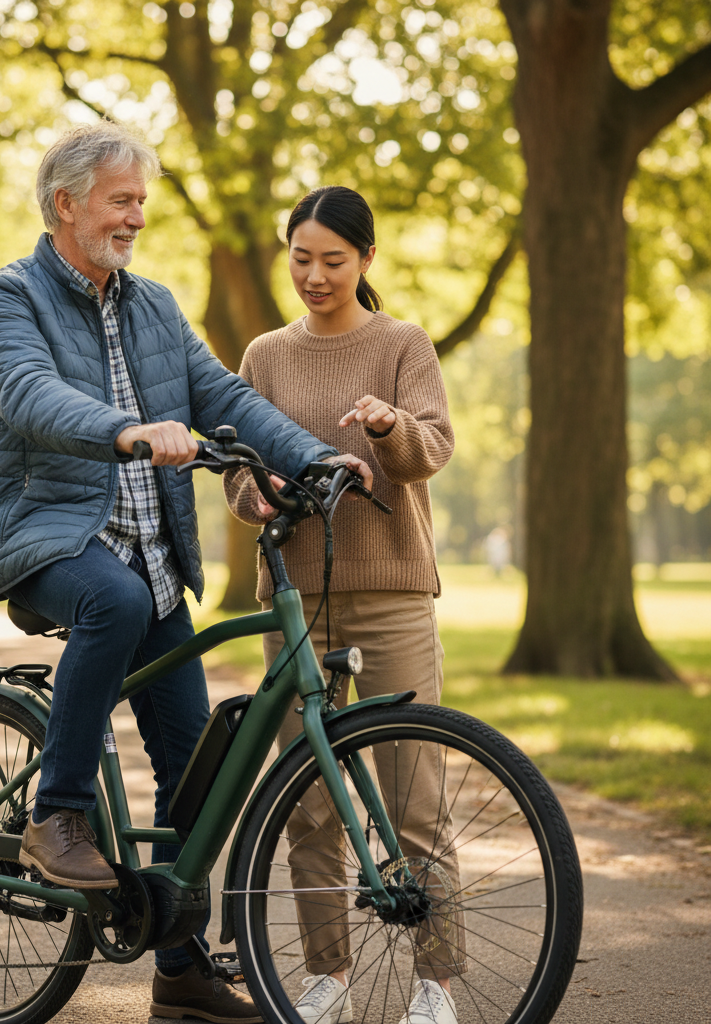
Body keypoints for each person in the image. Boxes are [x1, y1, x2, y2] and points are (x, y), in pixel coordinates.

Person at [0, 122, 372, 1024]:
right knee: (107, 599)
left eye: (142, 200)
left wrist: (312, 457)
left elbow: (222, 393)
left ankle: (182, 969)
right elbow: (28, 393)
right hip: (45, 540)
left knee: (199, 764)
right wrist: (125, 428)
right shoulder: (6, 299)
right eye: (122, 199)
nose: (137, 216)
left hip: (153, 560)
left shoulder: (152, 305)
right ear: (66, 204)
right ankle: (56, 815)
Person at [223, 186, 461, 1024]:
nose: (315, 276)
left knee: (411, 794)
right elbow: (236, 471)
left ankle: (434, 983)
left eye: (333, 260)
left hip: (391, 593)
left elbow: (430, 449)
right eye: (301, 258)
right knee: (310, 803)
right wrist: (258, 493)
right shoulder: (265, 354)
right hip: (299, 601)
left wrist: (389, 425)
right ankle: (327, 974)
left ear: (365, 260)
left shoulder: (402, 343)